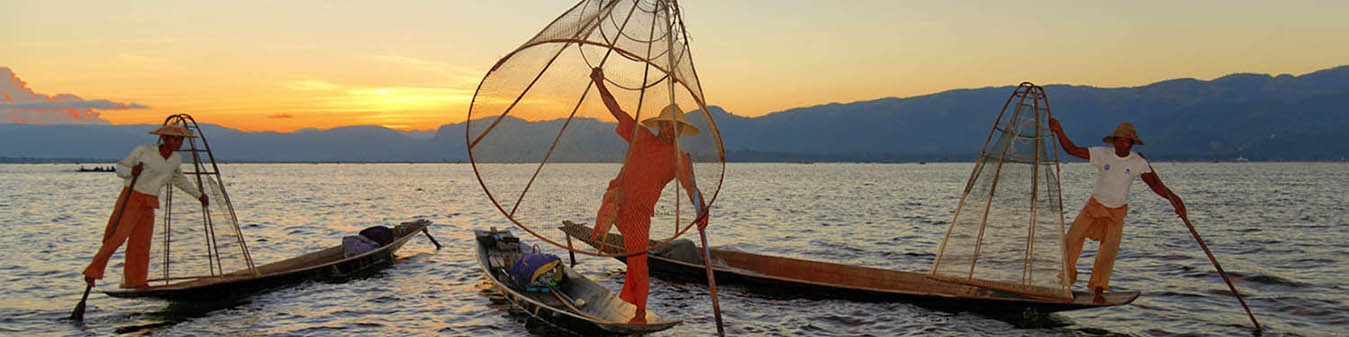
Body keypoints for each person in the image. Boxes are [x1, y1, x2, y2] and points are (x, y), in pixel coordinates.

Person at [587, 68, 707, 323]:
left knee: (638, 260)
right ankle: (601, 229)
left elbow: (691, 188)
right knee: (604, 225)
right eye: (665, 124)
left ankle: (639, 311)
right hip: (618, 196)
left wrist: (701, 209)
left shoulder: (679, 159)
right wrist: (599, 83)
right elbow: (616, 110)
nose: (668, 130)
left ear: (680, 130)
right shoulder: (641, 136)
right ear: (660, 125)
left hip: (641, 212)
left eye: (674, 127)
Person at [1048, 118, 1186, 303]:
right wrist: (1059, 130)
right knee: (1071, 240)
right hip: (1094, 207)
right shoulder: (1102, 154)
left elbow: (1156, 186)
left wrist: (1177, 201)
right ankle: (1065, 281)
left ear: (1131, 144)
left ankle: (1098, 289)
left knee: (1108, 252)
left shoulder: (1138, 162)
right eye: (1119, 140)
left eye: (1126, 141)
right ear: (1114, 141)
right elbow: (1071, 150)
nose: (1123, 144)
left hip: (1116, 213)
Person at [82, 125, 208, 289]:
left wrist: (198, 195)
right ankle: (92, 272)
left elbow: (178, 179)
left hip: (150, 201)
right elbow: (120, 167)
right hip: (132, 197)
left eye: (180, 139)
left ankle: (136, 280)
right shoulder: (144, 151)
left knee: (141, 243)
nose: (178, 143)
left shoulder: (175, 159)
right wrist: (131, 171)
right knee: (117, 236)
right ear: (164, 139)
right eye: (174, 139)